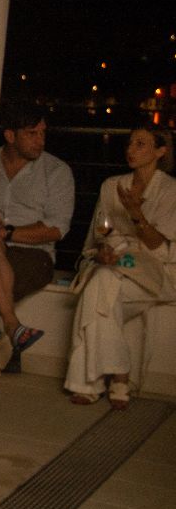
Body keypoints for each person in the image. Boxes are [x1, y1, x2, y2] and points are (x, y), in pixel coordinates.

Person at [65, 127, 175, 409]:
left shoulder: (170, 191)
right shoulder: (111, 185)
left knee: (99, 286)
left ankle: (88, 383)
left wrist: (137, 214)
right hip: (118, 263)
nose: (130, 149)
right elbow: (101, 232)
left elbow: (160, 248)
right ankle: (120, 377)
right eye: (129, 143)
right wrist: (104, 249)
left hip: (156, 268)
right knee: (102, 285)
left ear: (160, 151)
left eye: (140, 144)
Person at [0, 104, 75, 391]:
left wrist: (8, 233)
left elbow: (57, 228)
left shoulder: (56, 171)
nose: (40, 140)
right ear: (10, 136)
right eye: (32, 133)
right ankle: (12, 329)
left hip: (34, 255)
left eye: (43, 133)